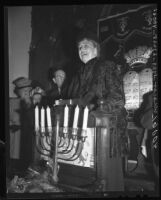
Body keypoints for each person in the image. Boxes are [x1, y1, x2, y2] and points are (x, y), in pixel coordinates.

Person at [66, 31, 127, 190]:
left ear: (96, 49)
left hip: (107, 133)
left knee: (108, 182)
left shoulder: (107, 66)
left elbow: (118, 99)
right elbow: (71, 101)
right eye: (79, 47)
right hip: (81, 132)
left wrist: (96, 111)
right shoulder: (77, 74)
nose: (82, 49)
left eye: (86, 45)